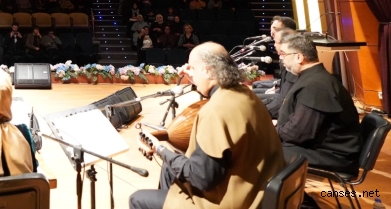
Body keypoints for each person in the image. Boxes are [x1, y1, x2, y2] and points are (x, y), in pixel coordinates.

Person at [129, 43, 284, 209]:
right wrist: (195, 77)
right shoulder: (245, 94)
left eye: (193, 68)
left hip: (234, 202)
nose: (190, 73)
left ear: (209, 71)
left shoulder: (215, 110)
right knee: (169, 167)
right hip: (256, 187)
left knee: (137, 199)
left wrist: (159, 149)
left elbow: (202, 179)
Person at [275, 34, 361, 176]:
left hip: (331, 155)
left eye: (283, 54)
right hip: (320, 148)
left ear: (299, 57)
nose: (281, 58)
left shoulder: (315, 85)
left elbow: (299, 133)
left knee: (263, 150)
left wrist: (272, 132)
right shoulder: (314, 78)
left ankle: (278, 190)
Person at [253, 15, 297, 94]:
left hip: (286, 93)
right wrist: (276, 86)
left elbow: (291, 83)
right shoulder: (282, 48)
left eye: (275, 29)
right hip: (282, 86)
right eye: (271, 29)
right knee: (255, 85)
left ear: (287, 31)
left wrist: (276, 90)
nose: (271, 33)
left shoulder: (293, 51)